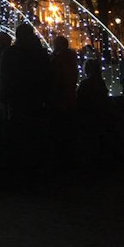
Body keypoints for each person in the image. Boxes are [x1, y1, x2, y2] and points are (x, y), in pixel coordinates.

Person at [0, 23, 49, 174]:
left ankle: (17, 171)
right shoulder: (40, 54)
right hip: (36, 100)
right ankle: (35, 170)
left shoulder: (10, 53)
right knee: (34, 136)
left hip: (17, 100)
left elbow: (4, 77)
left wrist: (3, 97)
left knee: (17, 136)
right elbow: (47, 76)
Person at [47, 35, 78, 169]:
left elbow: (54, 78)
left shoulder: (58, 59)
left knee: (59, 129)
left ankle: (61, 160)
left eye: (54, 44)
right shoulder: (71, 58)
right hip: (69, 97)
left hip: (59, 98)